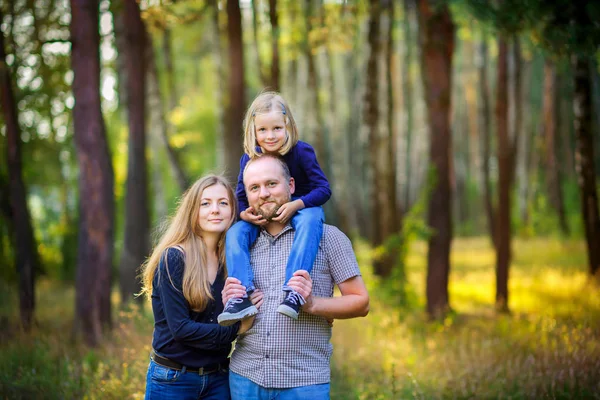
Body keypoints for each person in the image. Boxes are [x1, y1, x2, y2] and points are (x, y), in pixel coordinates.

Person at [222, 154, 370, 399]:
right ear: (246, 195)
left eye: (272, 184)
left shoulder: (328, 237)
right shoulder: (237, 244)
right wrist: (227, 298)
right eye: (254, 188)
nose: (264, 194)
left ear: (290, 185)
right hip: (244, 378)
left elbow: (361, 302)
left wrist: (313, 304)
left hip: (303, 382)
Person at [139, 175, 263, 400]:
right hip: (173, 380)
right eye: (205, 203)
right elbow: (181, 329)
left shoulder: (233, 261)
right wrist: (237, 329)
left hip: (219, 380)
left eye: (223, 203)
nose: (214, 210)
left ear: (234, 210)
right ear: (192, 211)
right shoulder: (174, 257)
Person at [218, 91, 332, 326]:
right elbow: (240, 196)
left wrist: (297, 204)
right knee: (235, 232)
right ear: (253, 130)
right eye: (263, 130)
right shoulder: (249, 158)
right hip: (262, 214)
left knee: (312, 218)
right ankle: (240, 295)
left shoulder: (302, 151)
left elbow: (323, 189)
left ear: (287, 125)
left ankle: (295, 289)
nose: (270, 136)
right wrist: (243, 213)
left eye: (277, 129)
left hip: (300, 207)